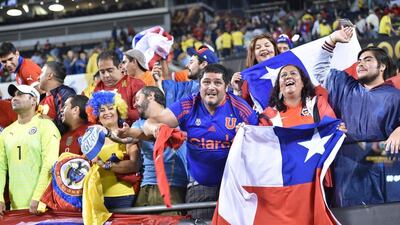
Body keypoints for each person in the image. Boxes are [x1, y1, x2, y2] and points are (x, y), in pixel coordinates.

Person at [120, 64, 258, 219]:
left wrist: (247, 135)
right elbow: (151, 121)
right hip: (200, 186)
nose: (211, 87)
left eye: (217, 83)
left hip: (235, 185)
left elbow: (261, 139)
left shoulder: (240, 108)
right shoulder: (188, 104)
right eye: (206, 82)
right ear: (199, 86)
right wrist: (154, 128)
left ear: (226, 87)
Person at [313, 27, 400, 207]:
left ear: (382, 66)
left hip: (384, 163)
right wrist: (332, 40)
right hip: (346, 165)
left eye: (367, 60)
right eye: (359, 60)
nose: (360, 64)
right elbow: (320, 70)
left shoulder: (395, 96)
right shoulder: (344, 86)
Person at [0, 84, 60, 214]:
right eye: (14, 95)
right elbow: (0, 168)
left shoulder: (46, 126)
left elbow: (50, 164)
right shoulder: (6, 132)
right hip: (15, 207)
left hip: (42, 206)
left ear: (34, 100)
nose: (14, 98)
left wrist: (38, 196)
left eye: (20, 94)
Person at [131, 86, 188, 212]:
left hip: (172, 187)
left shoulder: (175, 118)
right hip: (145, 187)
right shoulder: (137, 123)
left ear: (151, 96)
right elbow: (129, 136)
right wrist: (114, 133)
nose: (135, 104)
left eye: (137, 99)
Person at [85, 90, 141, 209]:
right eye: (102, 110)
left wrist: (103, 164)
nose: (107, 113)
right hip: (97, 196)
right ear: (96, 116)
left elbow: (134, 164)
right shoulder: (91, 138)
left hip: (123, 196)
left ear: (118, 111)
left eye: (110, 108)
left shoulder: (127, 134)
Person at [259, 64, 336, 127]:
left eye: (293, 73)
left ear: (303, 83)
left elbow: (332, 127)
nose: (288, 77)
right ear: (279, 87)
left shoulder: (317, 103)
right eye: (283, 75)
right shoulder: (269, 115)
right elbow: (259, 140)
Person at [90, 50, 145, 125]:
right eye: (102, 72)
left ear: (120, 67)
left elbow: (143, 113)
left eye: (110, 70)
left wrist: (118, 110)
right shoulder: (97, 89)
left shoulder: (136, 84)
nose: (106, 75)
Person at [155, 47, 219, 106]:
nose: (186, 65)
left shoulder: (216, 95)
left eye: (191, 62)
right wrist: (158, 81)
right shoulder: (188, 85)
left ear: (203, 64)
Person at [230, 34, 279, 106]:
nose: (263, 49)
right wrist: (237, 91)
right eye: (258, 47)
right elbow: (242, 110)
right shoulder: (247, 79)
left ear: (275, 49)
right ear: (253, 55)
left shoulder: (289, 68)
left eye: (267, 45)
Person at [38, 61, 76, 134]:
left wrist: (49, 122)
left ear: (49, 76)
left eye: (41, 73)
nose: (38, 77)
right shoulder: (41, 99)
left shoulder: (65, 93)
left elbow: (68, 124)